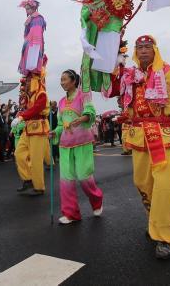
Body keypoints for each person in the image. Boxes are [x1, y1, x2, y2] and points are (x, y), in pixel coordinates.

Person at [110, 35, 170, 259]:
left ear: (155, 50)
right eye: (139, 47)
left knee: (162, 185)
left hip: (163, 135)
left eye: (147, 47)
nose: (142, 51)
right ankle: (154, 220)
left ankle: (164, 236)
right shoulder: (129, 76)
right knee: (141, 182)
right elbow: (112, 90)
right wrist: (114, 65)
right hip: (139, 136)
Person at [52, 69, 103, 224]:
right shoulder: (61, 102)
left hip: (82, 142)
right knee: (66, 179)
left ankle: (97, 201)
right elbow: (61, 125)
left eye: (65, 79)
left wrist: (82, 119)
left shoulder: (83, 96)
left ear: (74, 81)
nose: (62, 83)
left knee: (84, 176)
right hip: (65, 144)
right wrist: (54, 132)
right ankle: (71, 213)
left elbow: (91, 113)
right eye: (61, 80)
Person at [76, 0, 122, 93]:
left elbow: (118, 8)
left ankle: (109, 86)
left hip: (106, 30)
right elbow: (83, 15)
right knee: (93, 60)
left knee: (105, 60)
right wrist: (89, 15)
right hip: (95, 31)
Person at [13, 69, 50, 196]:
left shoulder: (41, 93)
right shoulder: (29, 95)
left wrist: (21, 117)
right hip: (28, 129)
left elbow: (37, 108)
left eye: (29, 80)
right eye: (26, 80)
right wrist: (20, 115)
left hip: (38, 128)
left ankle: (39, 187)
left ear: (35, 80)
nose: (26, 83)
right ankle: (28, 179)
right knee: (19, 153)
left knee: (36, 160)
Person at [18, 0, 46, 75]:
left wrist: (33, 44)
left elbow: (36, 33)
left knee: (32, 61)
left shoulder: (37, 17)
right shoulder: (31, 18)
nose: (26, 11)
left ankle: (33, 69)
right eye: (26, 9)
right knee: (29, 60)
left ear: (33, 8)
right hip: (29, 43)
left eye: (28, 9)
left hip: (33, 43)